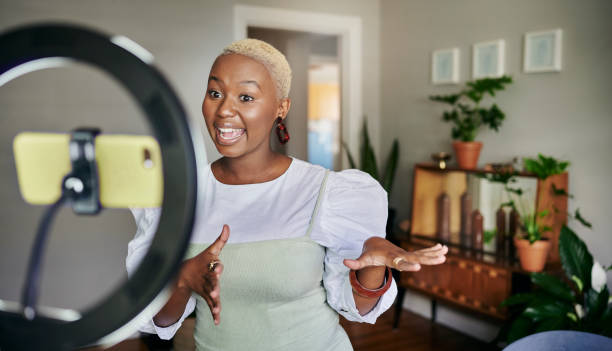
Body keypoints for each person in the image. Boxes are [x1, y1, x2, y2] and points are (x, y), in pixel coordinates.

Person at [126, 38, 448, 350]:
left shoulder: (325, 191)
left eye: (246, 97)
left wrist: (373, 266)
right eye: (215, 93)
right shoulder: (182, 197)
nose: (224, 110)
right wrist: (182, 278)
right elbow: (161, 322)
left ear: (281, 108)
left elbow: (358, 309)